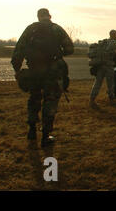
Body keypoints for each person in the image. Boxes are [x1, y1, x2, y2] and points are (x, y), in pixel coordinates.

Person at [11, 8, 74, 147]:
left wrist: (17, 69)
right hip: (53, 71)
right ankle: (46, 136)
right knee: (50, 101)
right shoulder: (56, 29)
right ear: (49, 16)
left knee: (34, 99)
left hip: (34, 70)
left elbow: (18, 51)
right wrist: (57, 54)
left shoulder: (31, 29)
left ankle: (32, 130)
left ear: (39, 17)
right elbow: (70, 48)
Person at [89, 30, 116, 107]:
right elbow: (109, 52)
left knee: (97, 83)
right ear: (113, 35)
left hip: (100, 65)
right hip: (108, 66)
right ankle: (112, 99)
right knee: (110, 83)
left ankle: (92, 100)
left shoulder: (104, 42)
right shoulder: (113, 42)